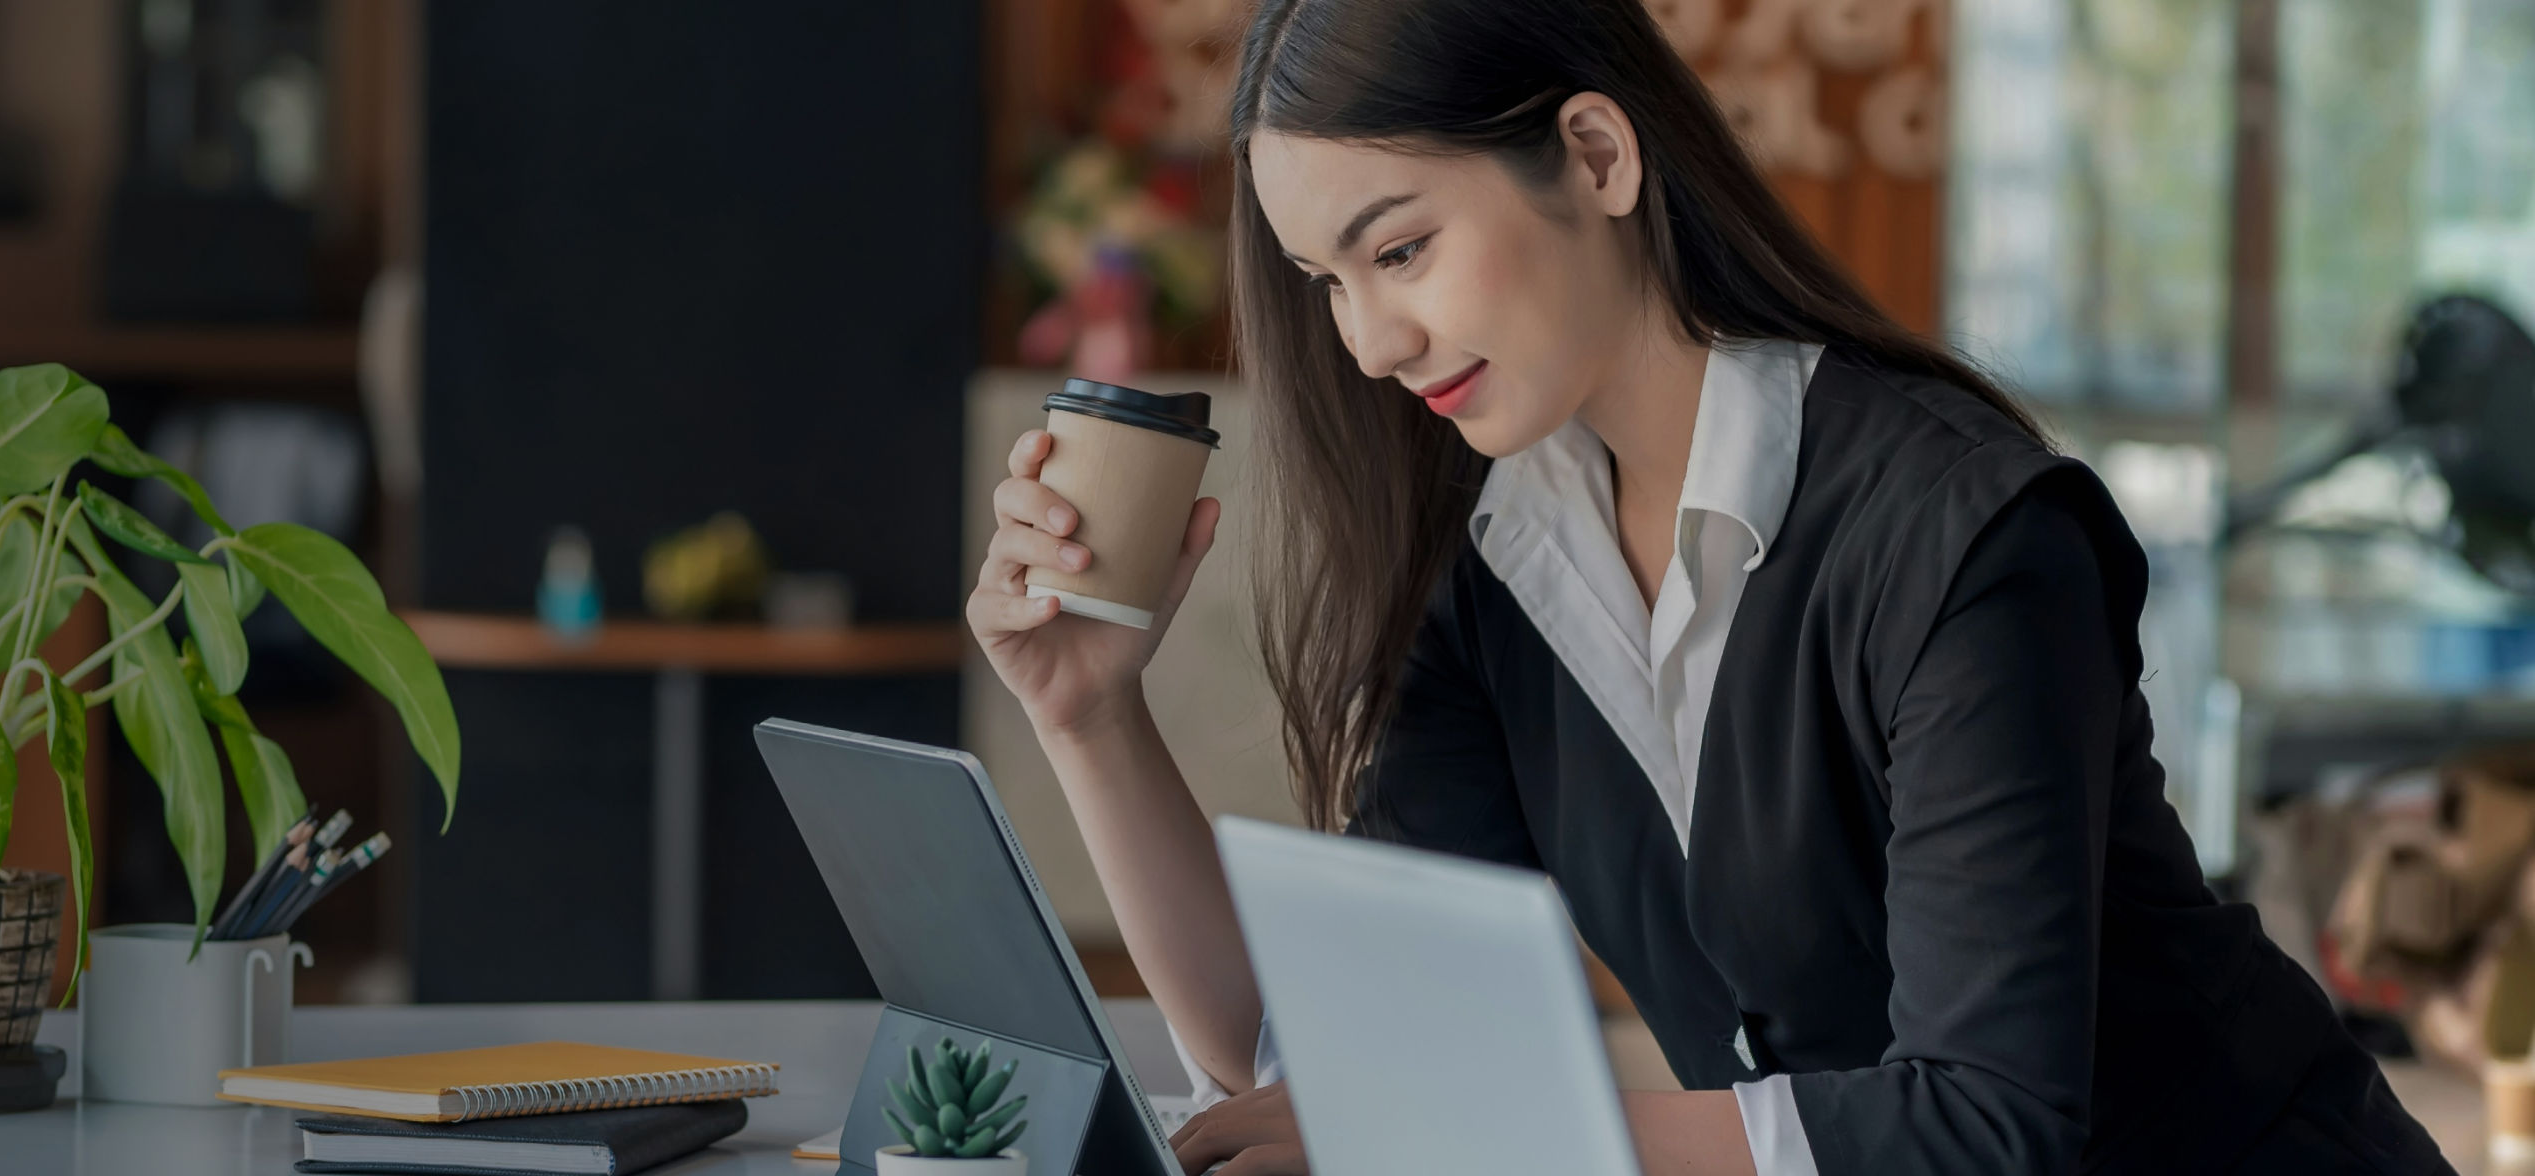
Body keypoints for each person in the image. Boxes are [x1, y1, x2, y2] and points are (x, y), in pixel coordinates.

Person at [965, 1, 2449, 1172]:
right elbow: (1315, 1064)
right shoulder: (1498, 560)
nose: (1367, 342)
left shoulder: (1964, 534)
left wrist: (1498, 1141)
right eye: (1326, 282)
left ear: (1600, 158)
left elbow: (1982, 1123)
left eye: (1399, 248)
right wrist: (1092, 719)